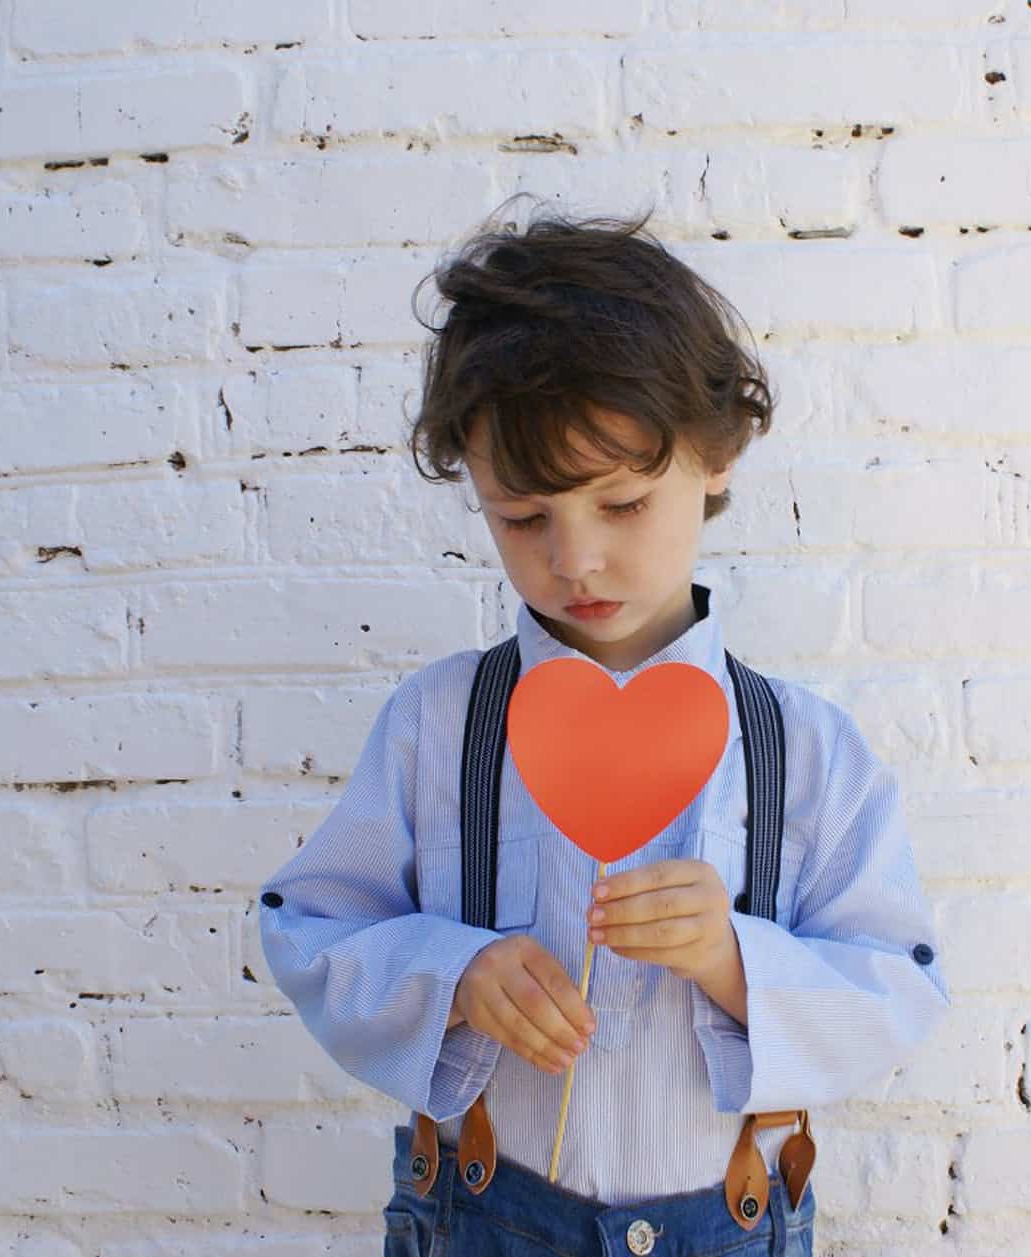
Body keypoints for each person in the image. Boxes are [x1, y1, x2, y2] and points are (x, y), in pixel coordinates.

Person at [256, 202, 950, 1257]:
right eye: (523, 518)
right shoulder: (438, 729)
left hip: (727, 1222)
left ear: (715, 457)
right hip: (484, 1219)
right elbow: (308, 930)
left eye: (619, 504)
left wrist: (731, 959)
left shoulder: (803, 752)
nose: (572, 560)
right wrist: (452, 974)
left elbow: (897, 988)